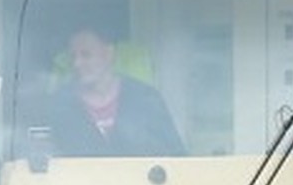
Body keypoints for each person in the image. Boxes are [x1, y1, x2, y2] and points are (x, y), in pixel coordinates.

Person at [42, 26, 186, 157]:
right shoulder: (58, 104)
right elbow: (46, 157)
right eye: (73, 56)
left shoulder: (146, 98)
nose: (77, 64)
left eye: (86, 55)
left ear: (109, 54)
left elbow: (177, 157)